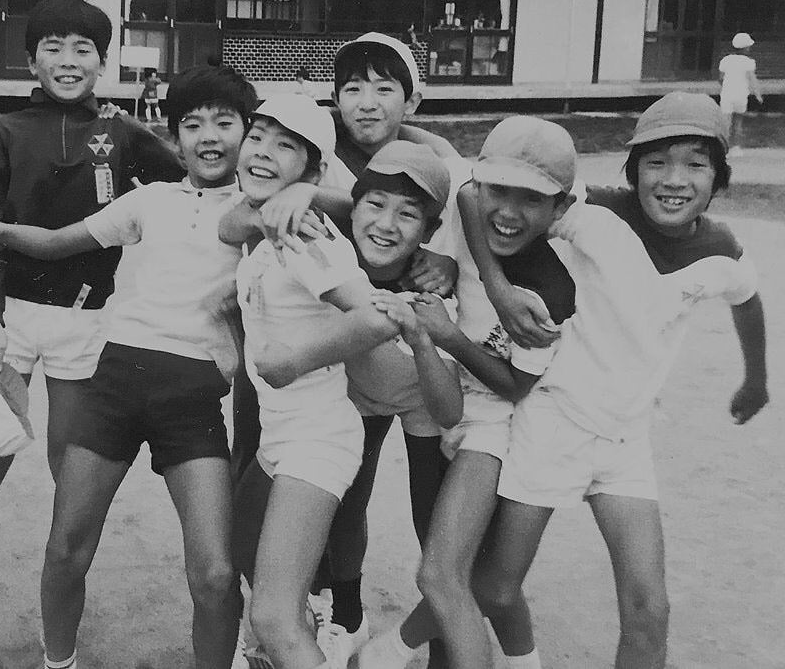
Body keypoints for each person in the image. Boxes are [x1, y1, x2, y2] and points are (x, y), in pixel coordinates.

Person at [0, 62, 260, 669]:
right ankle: (57, 661)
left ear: (250, 132)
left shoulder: (261, 212)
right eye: (192, 124)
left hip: (191, 401)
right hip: (112, 385)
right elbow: (60, 241)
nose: (209, 137)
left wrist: (295, 192)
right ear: (174, 137)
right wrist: (0, 234)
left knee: (217, 574)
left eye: (225, 122)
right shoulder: (151, 200)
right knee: (66, 548)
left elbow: (348, 202)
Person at [462, 93, 768, 669]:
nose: (673, 180)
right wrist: (497, 286)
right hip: (551, 423)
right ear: (632, 172)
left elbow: (747, 302)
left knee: (650, 611)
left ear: (719, 177)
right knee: (496, 587)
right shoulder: (591, 210)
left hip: (626, 438)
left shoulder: (722, 251)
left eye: (696, 163)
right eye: (656, 161)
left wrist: (756, 379)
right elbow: (473, 191)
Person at [0, 0, 183, 664]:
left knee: (69, 468)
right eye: (54, 47)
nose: (68, 61)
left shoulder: (126, 133)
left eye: (83, 50)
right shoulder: (7, 131)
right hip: (11, 326)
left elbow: (193, 181)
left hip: (86, 324)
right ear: (30, 59)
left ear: (102, 62)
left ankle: (60, 598)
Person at [221, 95, 459, 669]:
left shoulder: (308, 233)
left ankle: (313, 637)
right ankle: (304, 630)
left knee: (273, 617)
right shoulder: (271, 220)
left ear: (312, 170)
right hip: (289, 432)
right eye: (258, 136)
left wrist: (294, 360)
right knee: (240, 552)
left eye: (286, 146)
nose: (264, 152)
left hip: (320, 434)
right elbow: (233, 225)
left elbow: (380, 314)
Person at [355, 116, 578, 669]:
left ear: (561, 209)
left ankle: (399, 649)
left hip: (491, 423)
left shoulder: (550, 290)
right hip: (437, 406)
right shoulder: (469, 206)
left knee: (444, 573)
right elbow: (460, 191)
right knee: (449, 562)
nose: (507, 210)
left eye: (531, 199)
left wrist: (449, 334)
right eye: (498, 190)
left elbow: (515, 386)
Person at [719, 32, 763, 157]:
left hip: (727, 94)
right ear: (745, 48)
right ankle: (736, 148)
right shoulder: (749, 62)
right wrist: (757, 94)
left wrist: (725, 88)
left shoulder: (725, 60)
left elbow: (721, 78)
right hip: (741, 95)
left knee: (726, 123)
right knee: (738, 123)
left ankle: (723, 148)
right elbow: (752, 79)